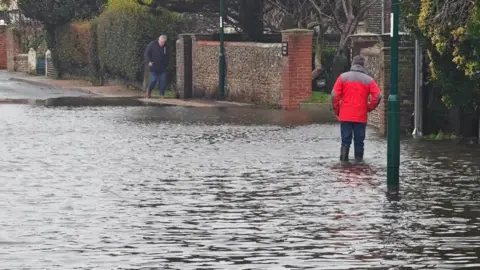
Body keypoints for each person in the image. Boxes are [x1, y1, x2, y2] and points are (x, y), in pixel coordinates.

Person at [331, 55, 382, 162]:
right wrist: (369, 107)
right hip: (361, 115)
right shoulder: (369, 80)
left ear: (353, 64)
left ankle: (344, 163)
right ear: (363, 65)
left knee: (345, 141)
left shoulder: (343, 77)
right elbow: (377, 96)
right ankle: (359, 164)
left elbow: (335, 95)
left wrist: (337, 110)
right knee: (359, 142)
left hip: (345, 115)